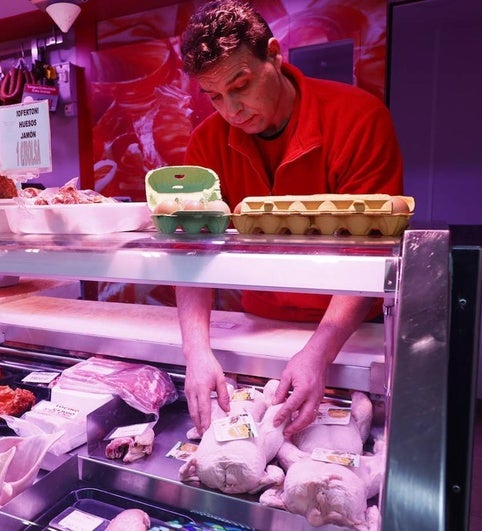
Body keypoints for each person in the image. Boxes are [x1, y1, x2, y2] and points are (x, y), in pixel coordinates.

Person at [177, 0, 403, 437]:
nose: (231, 110)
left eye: (240, 85)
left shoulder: (359, 118)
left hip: (352, 331)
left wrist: (319, 352)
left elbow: (372, 250)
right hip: (259, 324)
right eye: (214, 96)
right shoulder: (206, 143)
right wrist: (196, 352)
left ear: (274, 56)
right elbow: (191, 250)